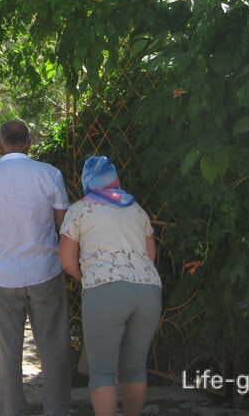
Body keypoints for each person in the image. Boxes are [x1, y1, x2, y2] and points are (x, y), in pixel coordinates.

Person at [0, 119, 73, 416]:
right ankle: (56, 410)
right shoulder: (49, 175)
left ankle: (10, 411)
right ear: (29, 143)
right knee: (53, 348)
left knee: (7, 352)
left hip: (3, 275)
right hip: (46, 271)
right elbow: (64, 225)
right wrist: (68, 263)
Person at [59, 156, 162, 416]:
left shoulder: (80, 210)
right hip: (148, 290)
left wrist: (91, 277)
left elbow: (67, 262)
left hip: (104, 290)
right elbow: (150, 255)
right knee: (135, 368)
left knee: (103, 372)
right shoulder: (136, 209)